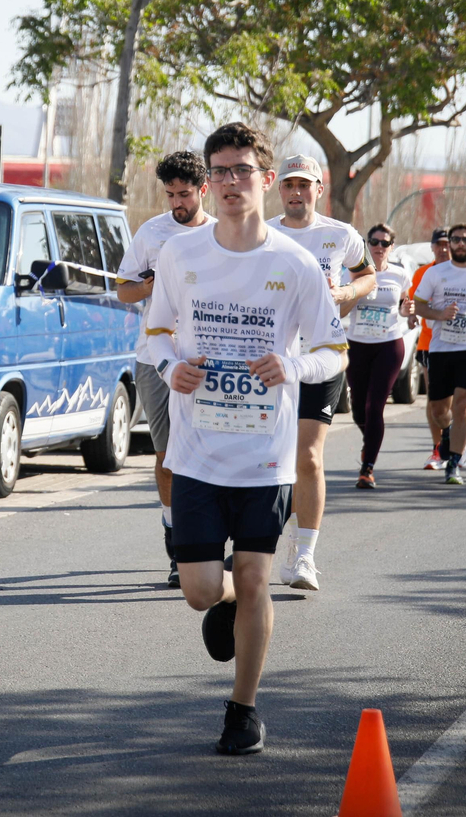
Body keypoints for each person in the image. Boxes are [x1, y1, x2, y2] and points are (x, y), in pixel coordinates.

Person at [145, 122, 345, 756]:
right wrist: (168, 366)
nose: (231, 182)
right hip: (197, 454)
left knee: (258, 578)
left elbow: (334, 349)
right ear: (209, 181)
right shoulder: (180, 254)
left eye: (242, 170)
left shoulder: (295, 262)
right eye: (220, 171)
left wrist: (293, 366)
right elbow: (155, 332)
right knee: (201, 591)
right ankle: (225, 596)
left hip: (265, 456)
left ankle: (243, 710)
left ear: (266, 178)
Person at [265, 153, 374, 590]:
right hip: (272, 361)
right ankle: (269, 537)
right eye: (289, 185)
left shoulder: (340, 234)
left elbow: (368, 275)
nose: (296, 192)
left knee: (309, 455)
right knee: (271, 455)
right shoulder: (262, 233)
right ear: (279, 189)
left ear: (318, 189)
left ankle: (305, 556)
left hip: (322, 355)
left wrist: (345, 291)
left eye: (304, 185)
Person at [116, 151, 214, 588]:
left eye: (185, 194)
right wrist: (147, 286)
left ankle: (209, 540)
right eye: (171, 194)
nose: (177, 203)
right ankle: (178, 546)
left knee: (207, 454)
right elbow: (123, 290)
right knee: (167, 456)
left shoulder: (221, 233)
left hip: (207, 361)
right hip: (153, 359)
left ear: (203, 190)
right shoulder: (152, 232)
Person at [411, 224, 466, 486]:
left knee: (463, 405)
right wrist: (439, 314)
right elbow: (419, 305)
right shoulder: (435, 273)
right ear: (449, 243)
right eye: (456, 239)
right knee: (439, 410)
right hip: (441, 349)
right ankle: (447, 431)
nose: (461, 243)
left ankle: (454, 464)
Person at [344, 222, 414, 488]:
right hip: (358, 344)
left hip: (388, 345)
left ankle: (367, 468)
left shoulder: (399, 274)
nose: (379, 247)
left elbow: (405, 305)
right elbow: (342, 308)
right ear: (367, 245)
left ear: (391, 247)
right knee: (358, 410)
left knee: (375, 406)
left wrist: (408, 312)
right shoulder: (353, 272)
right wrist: (357, 289)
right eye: (374, 242)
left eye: (385, 243)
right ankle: (370, 441)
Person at [407, 228, 453, 468]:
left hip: (460, 344)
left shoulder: (463, 273)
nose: (443, 249)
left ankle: (455, 443)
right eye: (439, 244)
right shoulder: (422, 273)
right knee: (434, 399)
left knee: (455, 400)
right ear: (432, 247)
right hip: (429, 343)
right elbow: (412, 302)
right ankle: (438, 448)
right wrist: (410, 315)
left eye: (447, 244)